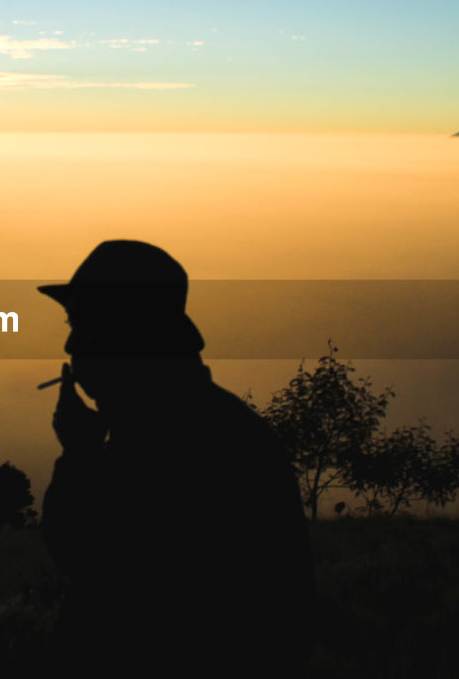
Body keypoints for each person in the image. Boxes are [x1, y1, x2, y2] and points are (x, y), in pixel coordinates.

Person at [39, 240, 315, 677]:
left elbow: (87, 558)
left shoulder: (176, 441)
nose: (71, 342)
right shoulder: (192, 424)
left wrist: (79, 455)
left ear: (132, 333)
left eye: (86, 325)